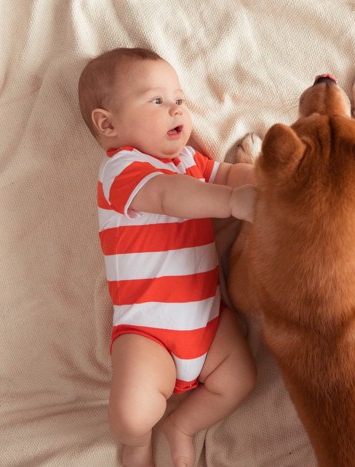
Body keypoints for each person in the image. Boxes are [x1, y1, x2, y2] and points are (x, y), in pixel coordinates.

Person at [78, 47, 257, 467]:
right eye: (157, 101)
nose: (176, 109)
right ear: (108, 124)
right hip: (148, 333)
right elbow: (169, 196)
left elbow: (227, 174)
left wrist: (267, 181)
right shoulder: (121, 170)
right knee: (131, 413)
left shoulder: (189, 160)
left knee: (240, 379)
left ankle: (184, 425)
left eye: (179, 99)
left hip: (210, 323)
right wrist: (231, 203)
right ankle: (136, 443)